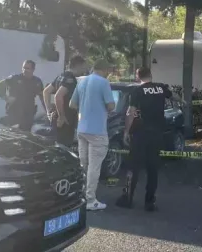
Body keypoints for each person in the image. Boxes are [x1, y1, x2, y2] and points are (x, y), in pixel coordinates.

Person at [116, 67, 172, 211]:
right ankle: (150, 202)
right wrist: (183, 101)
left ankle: (127, 198)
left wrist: (126, 132)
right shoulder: (160, 87)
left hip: (140, 134)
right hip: (157, 134)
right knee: (153, 169)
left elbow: (131, 112)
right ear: (151, 75)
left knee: (133, 166)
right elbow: (173, 95)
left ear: (137, 76)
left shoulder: (137, 91)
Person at [69, 59, 115, 211]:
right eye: (108, 71)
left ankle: (80, 195)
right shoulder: (103, 82)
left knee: (84, 164)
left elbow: (72, 104)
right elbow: (111, 106)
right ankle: (90, 200)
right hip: (97, 131)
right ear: (104, 69)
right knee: (94, 166)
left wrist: (85, 108)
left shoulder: (81, 81)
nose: (108, 74)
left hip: (81, 129)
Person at [42, 55, 87, 146]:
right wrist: (61, 116)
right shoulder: (70, 79)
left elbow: (46, 91)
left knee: (56, 145)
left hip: (57, 119)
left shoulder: (61, 76)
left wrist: (48, 111)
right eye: (83, 67)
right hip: (65, 120)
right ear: (78, 65)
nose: (84, 70)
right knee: (64, 148)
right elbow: (58, 96)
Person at [0, 60, 46, 132]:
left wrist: (47, 111)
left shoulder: (37, 81)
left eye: (27, 68)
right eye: (23, 68)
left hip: (28, 114)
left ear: (33, 70)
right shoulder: (15, 78)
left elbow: (42, 97)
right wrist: (6, 97)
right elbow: (0, 85)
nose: (25, 70)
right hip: (14, 112)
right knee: (11, 132)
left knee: (25, 133)